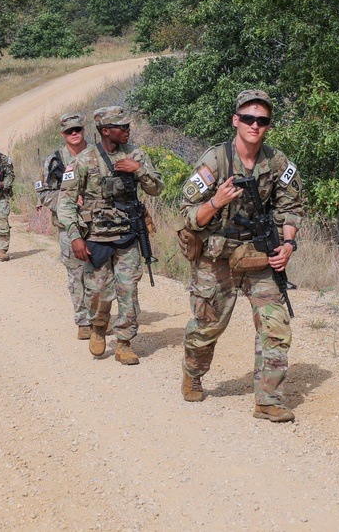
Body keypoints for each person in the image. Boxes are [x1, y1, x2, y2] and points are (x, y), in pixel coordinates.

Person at [177, 90, 304, 422]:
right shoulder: (215, 161)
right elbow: (188, 214)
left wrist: (287, 245)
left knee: (275, 326)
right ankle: (192, 372)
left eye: (262, 121)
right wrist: (216, 202)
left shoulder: (278, 163)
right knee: (207, 328)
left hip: (259, 256)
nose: (255, 125)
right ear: (236, 120)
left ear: (268, 126)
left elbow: (291, 209)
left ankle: (268, 399)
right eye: (248, 118)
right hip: (216, 257)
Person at [57, 106, 163, 364]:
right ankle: (97, 326)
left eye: (128, 127)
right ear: (106, 131)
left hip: (128, 235)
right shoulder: (83, 160)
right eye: (122, 127)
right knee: (98, 292)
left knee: (128, 289)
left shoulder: (136, 154)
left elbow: (156, 189)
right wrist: (75, 237)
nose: (128, 131)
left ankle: (124, 342)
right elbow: (66, 202)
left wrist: (138, 169)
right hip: (96, 237)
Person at [35, 113, 93, 340]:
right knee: (76, 273)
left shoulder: (97, 155)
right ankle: (83, 320)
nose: (74, 133)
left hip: (99, 223)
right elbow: (42, 192)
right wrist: (67, 199)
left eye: (77, 129)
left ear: (83, 129)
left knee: (101, 273)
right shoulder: (54, 161)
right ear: (63, 134)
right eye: (69, 131)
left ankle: (99, 316)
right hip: (69, 226)